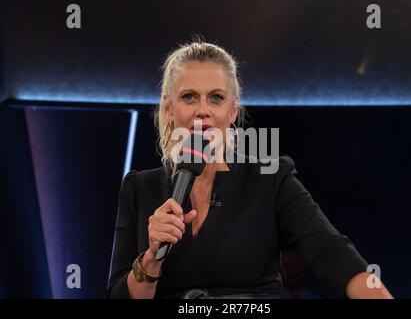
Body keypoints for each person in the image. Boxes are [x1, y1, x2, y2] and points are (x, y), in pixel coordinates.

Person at [107, 40, 393, 299]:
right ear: (169, 109)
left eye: (216, 98)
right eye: (189, 97)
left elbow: (333, 254)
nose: (202, 110)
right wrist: (151, 259)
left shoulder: (270, 178)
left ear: (232, 111)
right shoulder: (139, 189)